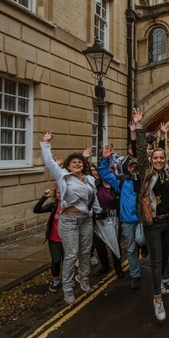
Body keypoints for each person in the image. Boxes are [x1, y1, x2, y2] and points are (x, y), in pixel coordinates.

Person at [132, 109, 169, 321]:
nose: (160, 160)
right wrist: (138, 125)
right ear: (151, 159)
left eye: (162, 157)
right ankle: (157, 299)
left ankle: (162, 278)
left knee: (165, 258)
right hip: (152, 223)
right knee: (155, 260)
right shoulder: (146, 170)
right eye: (156, 157)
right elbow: (139, 150)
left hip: (168, 222)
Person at [40, 130, 101, 304]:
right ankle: (67, 287)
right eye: (74, 162)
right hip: (69, 221)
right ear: (68, 166)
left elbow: (93, 197)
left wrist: (98, 212)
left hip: (86, 220)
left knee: (85, 251)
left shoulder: (89, 179)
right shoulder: (63, 177)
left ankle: (83, 277)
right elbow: (50, 163)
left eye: (80, 162)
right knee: (72, 254)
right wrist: (46, 143)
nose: (77, 164)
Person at [98, 145, 143, 290]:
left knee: (140, 239)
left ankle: (145, 247)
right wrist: (105, 159)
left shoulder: (146, 181)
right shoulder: (122, 181)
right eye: (132, 166)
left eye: (137, 166)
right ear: (128, 168)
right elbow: (104, 174)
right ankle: (135, 275)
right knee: (130, 249)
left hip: (143, 220)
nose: (134, 168)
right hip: (128, 220)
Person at [33, 187, 63, 292]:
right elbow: (36, 210)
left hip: (69, 239)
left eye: (63, 192)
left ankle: (68, 280)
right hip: (54, 239)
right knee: (56, 260)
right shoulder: (53, 206)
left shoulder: (72, 206)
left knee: (68, 262)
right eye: (59, 192)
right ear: (55, 194)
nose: (61, 194)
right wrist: (43, 198)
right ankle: (55, 280)